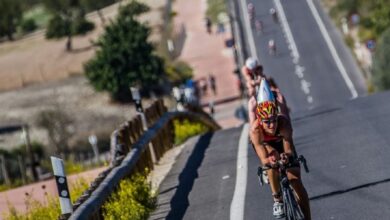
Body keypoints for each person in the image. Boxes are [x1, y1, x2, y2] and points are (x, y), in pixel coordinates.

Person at [248, 79, 311, 219]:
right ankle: (277, 199)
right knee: (271, 163)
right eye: (267, 121)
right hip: (265, 145)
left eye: (273, 119)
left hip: (281, 143)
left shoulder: (283, 123)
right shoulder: (255, 130)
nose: (271, 125)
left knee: (296, 181)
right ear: (260, 120)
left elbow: (288, 149)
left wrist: (287, 157)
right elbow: (264, 159)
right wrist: (271, 161)